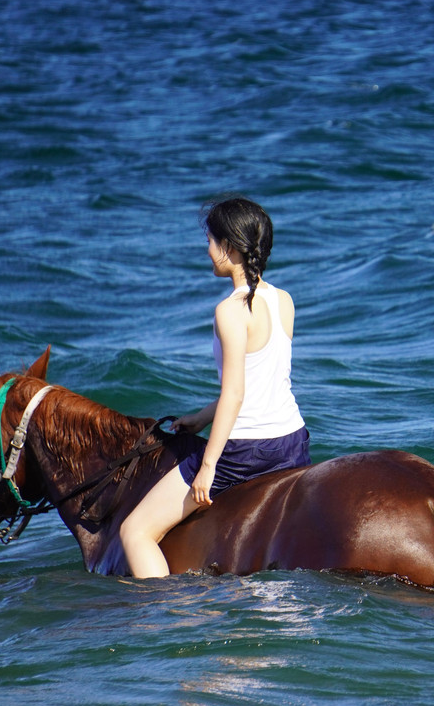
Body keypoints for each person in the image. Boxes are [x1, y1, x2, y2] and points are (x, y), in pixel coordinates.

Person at [119, 196, 311, 578]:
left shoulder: (230, 310)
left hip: (246, 452)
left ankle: (165, 619)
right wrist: (198, 419)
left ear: (230, 247)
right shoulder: (284, 301)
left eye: (210, 240)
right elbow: (261, 384)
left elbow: (236, 394)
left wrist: (208, 467)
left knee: (135, 532)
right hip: (292, 442)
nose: (207, 250)